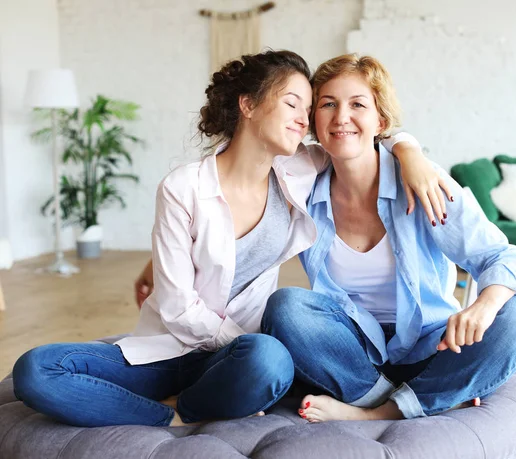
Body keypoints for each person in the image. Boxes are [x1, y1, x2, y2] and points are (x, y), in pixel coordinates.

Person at [12, 50, 445, 428]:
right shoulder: (183, 187)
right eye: (293, 103)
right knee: (36, 369)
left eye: (308, 107)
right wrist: (237, 338)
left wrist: (410, 151)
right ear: (249, 105)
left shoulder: (300, 168)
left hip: (242, 358)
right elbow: (179, 308)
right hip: (169, 349)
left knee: (269, 360)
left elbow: (366, 136)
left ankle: (191, 404)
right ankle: (174, 417)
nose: (305, 118)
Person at [260, 54, 516, 422]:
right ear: (314, 121)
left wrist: (481, 308)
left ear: (381, 122)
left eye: (358, 104)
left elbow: (501, 257)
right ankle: (415, 399)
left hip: (432, 346)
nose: (341, 116)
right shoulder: (303, 186)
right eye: (328, 104)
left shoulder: (422, 181)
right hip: (351, 352)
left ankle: (375, 414)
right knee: (287, 307)